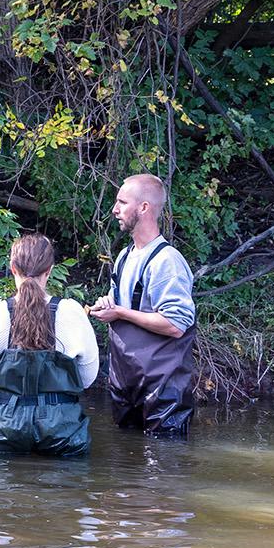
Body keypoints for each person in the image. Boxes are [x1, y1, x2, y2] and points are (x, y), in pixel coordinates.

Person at [0, 234, 99, 456]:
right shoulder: (72, 312)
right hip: (62, 429)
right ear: (50, 270)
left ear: (12, 268)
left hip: (3, 428)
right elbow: (87, 379)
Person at [89, 174, 197, 433]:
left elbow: (175, 324)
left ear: (144, 208)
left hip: (163, 392)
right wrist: (107, 306)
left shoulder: (167, 261)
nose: (114, 210)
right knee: (126, 460)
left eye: (122, 202)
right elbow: (119, 306)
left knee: (164, 462)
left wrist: (121, 312)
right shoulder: (124, 257)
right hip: (126, 385)